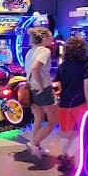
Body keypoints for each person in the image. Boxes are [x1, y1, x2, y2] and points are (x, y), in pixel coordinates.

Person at [54, 37, 88, 174]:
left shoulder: (62, 66)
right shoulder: (86, 65)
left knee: (66, 133)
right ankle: (72, 157)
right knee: (81, 133)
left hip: (64, 105)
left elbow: (58, 86)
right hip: (79, 104)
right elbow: (87, 86)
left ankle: (65, 155)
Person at [24, 27, 58, 158]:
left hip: (31, 88)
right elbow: (35, 68)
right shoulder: (45, 51)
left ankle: (36, 146)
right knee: (52, 121)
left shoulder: (30, 51)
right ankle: (35, 143)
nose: (52, 39)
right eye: (50, 36)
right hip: (42, 89)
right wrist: (41, 87)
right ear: (43, 38)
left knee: (38, 118)